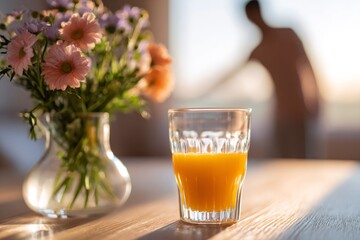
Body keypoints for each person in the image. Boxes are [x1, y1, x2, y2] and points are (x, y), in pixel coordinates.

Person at [244, 0, 320, 158]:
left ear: (257, 12)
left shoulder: (288, 34)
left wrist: (316, 98)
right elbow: (233, 72)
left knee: (304, 162)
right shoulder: (259, 50)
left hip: (300, 111)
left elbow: (308, 66)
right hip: (279, 116)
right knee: (280, 163)